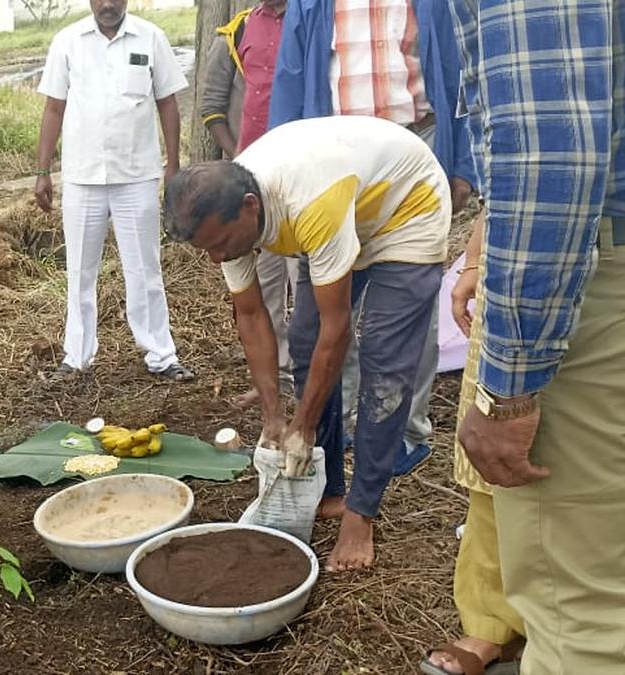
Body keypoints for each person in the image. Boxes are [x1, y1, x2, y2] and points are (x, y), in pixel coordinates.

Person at [163, 115, 451, 572]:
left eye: (220, 245)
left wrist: (304, 424)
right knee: (304, 339)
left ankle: (361, 514)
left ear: (251, 207)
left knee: (383, 362)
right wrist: (275, 418)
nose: (216, 257)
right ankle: (329, 490)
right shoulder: (223, 220)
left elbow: (338, 330)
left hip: (404, 209)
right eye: (206, 250)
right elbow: (253, 317)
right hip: (347, 209)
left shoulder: (309, 201)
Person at [449, 1, 624, 672]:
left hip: (592, 277)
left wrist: (508, 392)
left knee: (581, 616)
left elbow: (552, 149)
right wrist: (479, 250)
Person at [268, 0, 479, 482]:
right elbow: (290, 83)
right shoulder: (312, 5)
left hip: (416, 149)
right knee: (328, 296)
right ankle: (334, 423)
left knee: (410, 300)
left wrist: (462, 163)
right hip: (332, 160)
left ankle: (405, 430)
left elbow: (462, 71)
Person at [32, 0, 194, 383]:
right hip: (82, 176)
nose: (107, 4)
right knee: (79, 271)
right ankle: (77, 356)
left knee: (145, 269)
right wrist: (42, 171)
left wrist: (173, 165)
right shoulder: (67, 41)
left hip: (136, 174)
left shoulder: (151, 37)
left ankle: (161, 354)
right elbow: (54, 108)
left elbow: (167, 103)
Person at [420, 213, 524, 675]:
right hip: (512, 278)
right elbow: (506, 186)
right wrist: (475, 262)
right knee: (491, 467)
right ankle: (493, 623)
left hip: (598, 276)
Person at [200, 0, 297, 404]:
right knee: (265, 285)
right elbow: (211, 107)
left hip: (299, 181)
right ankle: (275, 380)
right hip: (249, 190)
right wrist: (237, 159)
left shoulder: (309, 20)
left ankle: (317, 382)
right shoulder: (235, 34)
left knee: (307, 284)